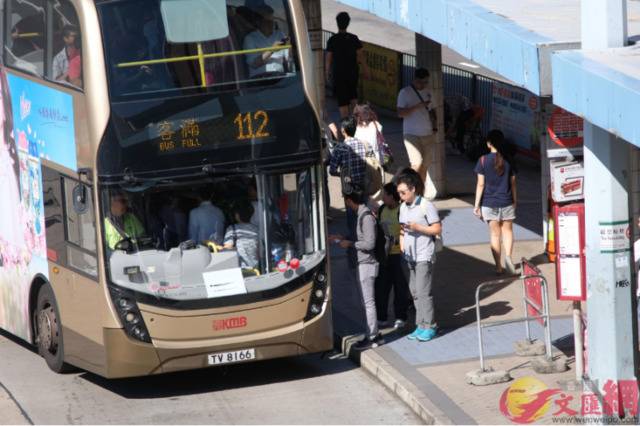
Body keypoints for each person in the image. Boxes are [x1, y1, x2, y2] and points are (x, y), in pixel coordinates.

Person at [329, 188, 383, 349]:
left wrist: (350, 244)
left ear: (349, 201)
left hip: (367, 264)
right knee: (365, 302)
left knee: (368, 302)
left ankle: (373, 336)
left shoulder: (365, 217)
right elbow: (360, 239)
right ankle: (372, 333)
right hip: (363, 263)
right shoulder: (361, 215)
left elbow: (369, 243)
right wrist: (342, 239)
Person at [397, 172, 441, 342]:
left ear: (413, 189)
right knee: (415, 292)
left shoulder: (426, 206)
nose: (401, 196)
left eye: (403, 192)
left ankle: (429, 325)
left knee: (424, 292)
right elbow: (402, 229)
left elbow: (437, 229)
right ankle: (420, 325)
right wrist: (402, 245)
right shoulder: (403, 207)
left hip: (424, 254)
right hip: (410, 256)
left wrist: (418, 228)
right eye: (399, 193)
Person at [473, 129, 518, 275]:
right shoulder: (509, 159)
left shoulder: (483, 160)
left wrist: (476, 205)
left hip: (488, 203)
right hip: (506, 201)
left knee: (495, 235)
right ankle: (509, 258)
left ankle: (498, 266)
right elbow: (513, 183)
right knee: (508, 232)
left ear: (488, 143)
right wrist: (515, 201)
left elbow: (480, 184)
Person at [397, 68, 438, 199]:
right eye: (421, 82)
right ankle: (406, 190)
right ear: (414, 80)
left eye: (426, 82)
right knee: (417, 164)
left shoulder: (429, 92)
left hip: (428, 133)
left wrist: (435, 126)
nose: (423, 85)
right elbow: (400, 113)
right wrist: (418, 106)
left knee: (424, 167)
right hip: (411, 134)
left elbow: (433, 110)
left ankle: (420, 194)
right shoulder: (405, 92)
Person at [376, 183, 411, 329]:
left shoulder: (401, 210)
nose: (382, 197)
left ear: (391, 196)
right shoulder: (382, 209)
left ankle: (400, 316)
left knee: (400, 287)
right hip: (384, 255)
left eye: (384, 194)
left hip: (398, 255)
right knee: (382, 287)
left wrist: (396, 240)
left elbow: (406, 231)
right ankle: (381, 317)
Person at [329, 116, 368, 240]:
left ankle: (354, 239)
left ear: (343, 130)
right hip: (363, 184)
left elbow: (332, 170)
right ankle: (366, 236)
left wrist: (342, 174)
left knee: (351, 215)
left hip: (349, 188)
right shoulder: (363, 144)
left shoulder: (340, 148)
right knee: (363, 211)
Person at [325, 12, 370, 118]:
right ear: (348, 23)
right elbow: (361, 56)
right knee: (354, 98)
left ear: (337, 23)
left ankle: (347, 128)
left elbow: (328, 59)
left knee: (343, 103)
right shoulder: (354, 38)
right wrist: (366, 70)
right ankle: (357, 123)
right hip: (352, 74)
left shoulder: (332, 40)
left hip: (338, 75)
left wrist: (327, 72)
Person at [243, 4, 289, 78]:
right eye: (267, 21)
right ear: (258, 22)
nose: (271, 24)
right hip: (261, 80)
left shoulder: (280, 34)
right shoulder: (250, 38)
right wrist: (271, 50)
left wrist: (290, 49)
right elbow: (254, 64)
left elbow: (288, 58)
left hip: (280, 78)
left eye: (272, 21)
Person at [223, 199, 259, 270]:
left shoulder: (232, 229)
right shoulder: (257, 229)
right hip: (256, 268)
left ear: (237, 215)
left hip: (240, 269)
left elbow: (227, 250)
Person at [354, 103, 383, 168]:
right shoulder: (377, 125)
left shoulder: (376, 125)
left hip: (371, 161)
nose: (366, 113)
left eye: (366, 112)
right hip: (371, 160)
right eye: (364, 112)